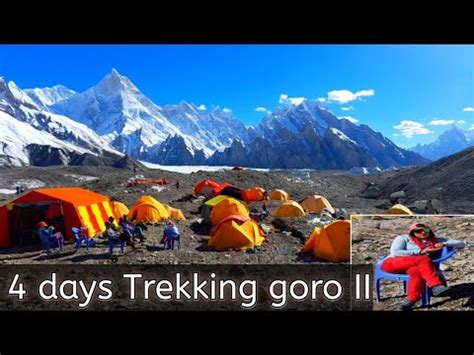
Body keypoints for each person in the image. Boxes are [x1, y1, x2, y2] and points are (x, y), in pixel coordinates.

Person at [381, 222, 466, 311]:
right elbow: (395, 252)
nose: (423, 233)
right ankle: (436, 285)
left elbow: (461, 243)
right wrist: (420, 251)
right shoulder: (403, 238)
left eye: (425, 230)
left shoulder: (434, 240)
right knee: (423, 259)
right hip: (393, 263)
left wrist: (445, 244)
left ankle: (410, 300)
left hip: (413, 266)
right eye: (418, 231)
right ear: (412, 232)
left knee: (417, 271)